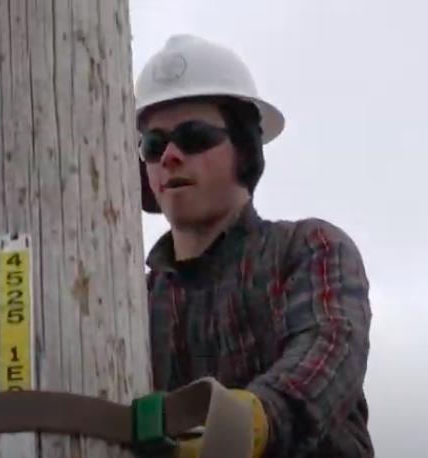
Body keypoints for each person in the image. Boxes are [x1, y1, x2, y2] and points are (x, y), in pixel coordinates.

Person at [135, 35, 373, 457]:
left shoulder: (310, 249)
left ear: (245, 147)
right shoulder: (131, 304)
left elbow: (330, 347)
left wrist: (250, 423)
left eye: (193, 137)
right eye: (153, 144)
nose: (169, 155)